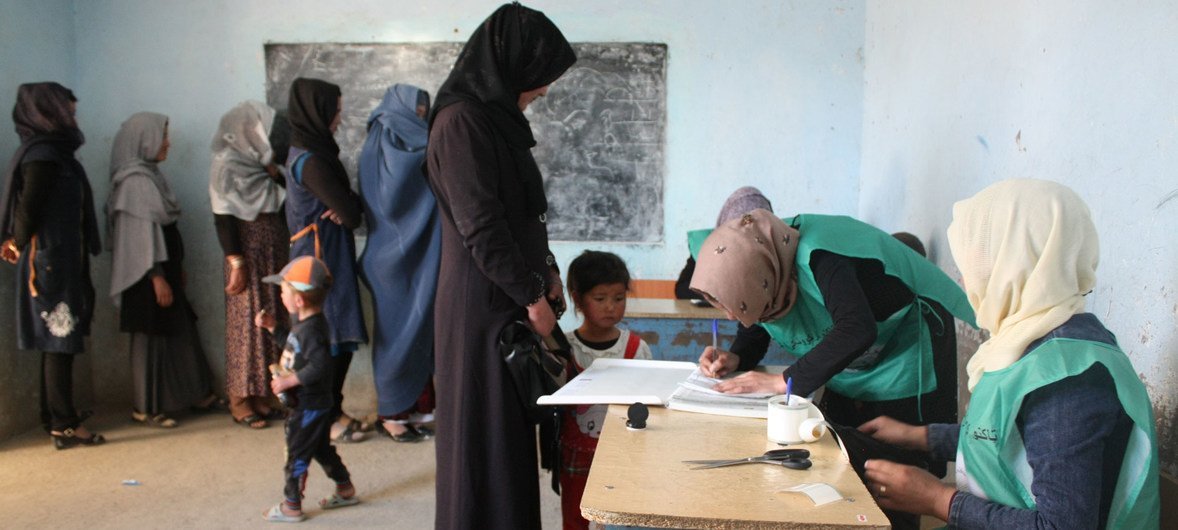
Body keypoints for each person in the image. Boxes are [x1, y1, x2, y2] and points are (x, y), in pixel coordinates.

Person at [858, 179, 1160, 529]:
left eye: (974, 266)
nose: (967, 281)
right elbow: (1011, 438)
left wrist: (938, 500)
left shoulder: (1066, 378)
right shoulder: (1033, 342)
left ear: (1012, 264)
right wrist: (920, 437)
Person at [425, 3, 576, 528]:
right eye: (539, 78)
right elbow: (482, 229)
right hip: (480, 310)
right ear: (511, 64)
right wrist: (533, 299)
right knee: (480, 445)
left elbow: (524, 216)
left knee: (507, 444)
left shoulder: (497, 122)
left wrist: (548, 272)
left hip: (506, 299)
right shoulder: (461, 123)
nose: (544, 90)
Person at [690, 209, 976, 434]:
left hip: (907, 349)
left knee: (898, 469)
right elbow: (759, 320)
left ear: (760, 280)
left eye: (734, 306)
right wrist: (737, 356)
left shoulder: (821, 256)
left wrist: (784, 381)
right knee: (846, 454)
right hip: (853, 363)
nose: (730, 316)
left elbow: (856, 328)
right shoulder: (765, 264)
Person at [0, 82, 104, 449]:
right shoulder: (43, 156)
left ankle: (56, 417)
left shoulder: (52, 153)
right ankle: (63, 423)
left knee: (59, 338)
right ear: (48, 113)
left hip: (57, 256)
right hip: (49, 261)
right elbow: (29, 208)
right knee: (60, 338)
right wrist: (15, 239)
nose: (72, 119)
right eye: (68, 112)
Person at [107, 112, 218, 429]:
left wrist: (174, 269)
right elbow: (138, 239)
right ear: (145, 139)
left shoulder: (151, 176)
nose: (167, 143)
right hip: (144, 273)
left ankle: (196, 393)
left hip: (163, 269)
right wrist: (156, 276)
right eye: (163, 136)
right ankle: (146, 407)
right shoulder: (134, 183)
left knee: (180, 328)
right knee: (150, 336)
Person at [284, 77, 369, 443]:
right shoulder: (312, 161)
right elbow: (350, 213)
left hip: (329, 252)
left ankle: (333, 409)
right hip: (318, 258)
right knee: (325, 335)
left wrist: (349, 205)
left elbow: (350, 207)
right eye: (334, 110)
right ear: (316, 112)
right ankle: (327, 416)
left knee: (337, 334)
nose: (339, 117)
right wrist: (348, 205)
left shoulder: (317, 153)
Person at [357, 84, 438, 443]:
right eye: (416, 113)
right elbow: (388, 201)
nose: (421, 120)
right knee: (396, 339)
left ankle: (417, 410)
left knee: (423, 332)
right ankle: (391, 414)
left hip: (421, 255)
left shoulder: (415, 143)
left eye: (424, 113)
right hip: (391, 260)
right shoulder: (382, 145)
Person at [255, 256, 359, 523]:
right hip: (311, 404)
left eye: (283, 290)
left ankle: (291, 506)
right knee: (320, 448)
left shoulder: (312, 330)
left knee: (296, 454)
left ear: (298, 300)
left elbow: (321, 366)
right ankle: (345, 489)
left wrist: (290, 381)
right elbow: (293, 346)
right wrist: (272, 328)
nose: (280, 295)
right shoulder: (303, 326)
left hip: (309, 405)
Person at [209, 100, 289, 429]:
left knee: (273, 319)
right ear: (249, 133)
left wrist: (275, 173)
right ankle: (240, 398)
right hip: (246, 255)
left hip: (274, 250)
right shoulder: (226, 165)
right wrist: (236, 260)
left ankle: (263, 394)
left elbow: (287, 195)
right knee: (247, 324)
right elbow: (222, 216)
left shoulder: (265, 165)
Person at [560, 250, 652, 530]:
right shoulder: (563, 349)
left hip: (624, 454)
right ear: (577, 299)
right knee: (576, 517)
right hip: (577, 451)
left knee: (620, 518)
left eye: (619, 298)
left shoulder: (636, 348)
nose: (611, 307)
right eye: (600, 299)